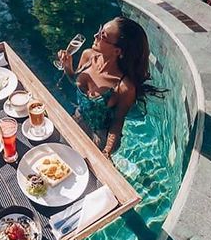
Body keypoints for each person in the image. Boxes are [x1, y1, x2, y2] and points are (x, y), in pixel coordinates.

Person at [58, 16, 162, 158]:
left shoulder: (124, 87)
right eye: (99, 31)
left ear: (117, 51)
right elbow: (74, 82)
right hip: (77, 120)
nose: (96, 35)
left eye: (103, 36)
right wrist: (67, 67)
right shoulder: (88, 56)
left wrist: (106, 152)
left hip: (99, 138)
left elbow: (117, 122)